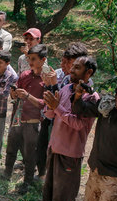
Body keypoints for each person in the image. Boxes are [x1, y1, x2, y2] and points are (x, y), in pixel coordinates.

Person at [42, 56, 99, 201]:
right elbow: (52, 114)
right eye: (71, 67)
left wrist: (56, 108)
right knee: (49, 190)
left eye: (76, 68)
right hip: (55, 148)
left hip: (70, 154)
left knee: (64, 195)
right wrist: (49, 107)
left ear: (88, 73)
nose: (71, 71)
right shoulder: (66, 88)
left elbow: (77, 125)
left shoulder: (91, 98)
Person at [36, 42, 90, 177]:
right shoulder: (66, 80)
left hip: (69, 143)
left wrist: (53, 85)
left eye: (69, 64)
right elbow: (53, 104)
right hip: (55, 129)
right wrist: (49, 86)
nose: (64, 66)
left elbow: (61, 107)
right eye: (63, 61)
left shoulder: (87, 90)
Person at [3, 44, 47, 192]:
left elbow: (44, 104)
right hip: (18, 119)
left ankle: (27, 182)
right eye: (29, 58)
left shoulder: (47, 79)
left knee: (30, 154)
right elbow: (14, 94)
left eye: (33, 59)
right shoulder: (25, 75)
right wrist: (14, 94)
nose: (30, 62)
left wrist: (28, 96)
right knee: (11, 148)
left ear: (43, 60)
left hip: (32, 123)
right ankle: (6, 174)